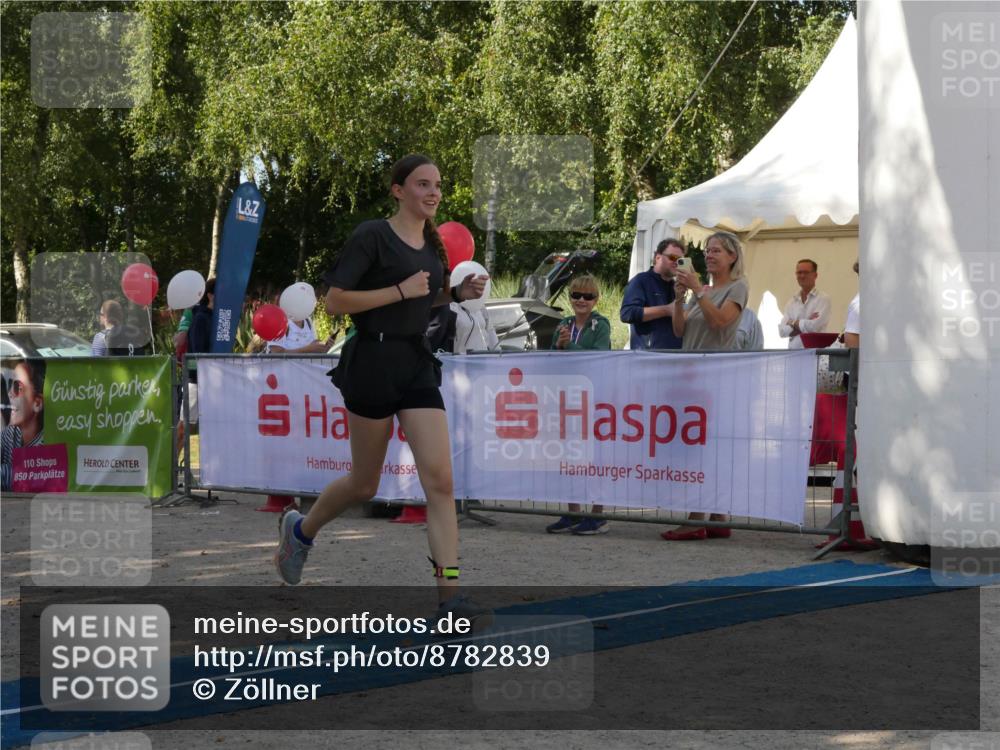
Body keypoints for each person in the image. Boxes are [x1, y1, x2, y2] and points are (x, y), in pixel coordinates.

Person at [273, 154, 490, 626]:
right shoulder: (372, 234)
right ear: (397, 190)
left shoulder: (432, 247)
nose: (432, 193)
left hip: (414, 363)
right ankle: (301, 531)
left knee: (441, 483)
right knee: (364, 483)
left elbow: (422, 297)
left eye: (437, 185)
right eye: (421, 184)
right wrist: (399, 290)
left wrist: (453, 295)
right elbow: (335, 300)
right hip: (371, 361)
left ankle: (449, 600)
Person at [662, 230, 749, 540]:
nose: (709, 255)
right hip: (693, 375)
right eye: (707, 250)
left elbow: (720, 323)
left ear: (732, 256)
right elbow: (679, 329)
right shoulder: (706, 290)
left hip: (715, 378)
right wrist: (679, 299)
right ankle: (717, 515)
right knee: (705, 446)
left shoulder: (737, 287)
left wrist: (698, 289)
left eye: (716, 251)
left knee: (704, 448)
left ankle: (697, 517)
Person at [546, 274, 612, 535]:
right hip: (568, 398)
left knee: (594, 458)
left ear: (596, 299)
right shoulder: (564, 323)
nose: (581, 300)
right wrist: (559, 346)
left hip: (594, 399)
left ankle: (598, 514)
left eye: (587, 296)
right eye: (576, 295)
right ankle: (573, 512)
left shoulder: (601, 324)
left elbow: (598, 358)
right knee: (569, 456)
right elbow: (553, 357)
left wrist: (569, 345)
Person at [620, 238, 685, 350]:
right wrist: (666, 310)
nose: (676, 262)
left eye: (681, 260)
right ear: (658, 257)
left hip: (674, 356)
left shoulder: (677, 286)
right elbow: (627, 313)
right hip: (648, 357)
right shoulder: (641, 281)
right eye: (673, 257)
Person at [1, 359, 45, 492]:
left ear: (37, 404)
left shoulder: (45, 444)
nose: (9, 394)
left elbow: (20, 476)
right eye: (10, 386)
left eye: (18, 388)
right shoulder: (12, 432)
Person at [778, 259, 832, 349]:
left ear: (815, 275)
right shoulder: (791, 302)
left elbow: (814, 327)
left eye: (806, 272)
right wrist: (805, 324)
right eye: (799, 272)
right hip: (793, 356)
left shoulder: (823, 299)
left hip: (814, 355)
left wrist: (793, 322)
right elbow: (782, 331)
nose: (802, 276)